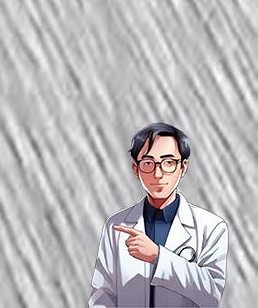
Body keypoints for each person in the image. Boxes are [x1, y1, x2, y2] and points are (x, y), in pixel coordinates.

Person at [88, 122, 227, 304]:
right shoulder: (116, 225)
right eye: (148, 163)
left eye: (168, 162)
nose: (158, 174)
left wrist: (158, 256)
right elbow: (102, 295)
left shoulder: (211, 227)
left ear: (183, 167)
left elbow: (212, 296)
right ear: (136, 169)